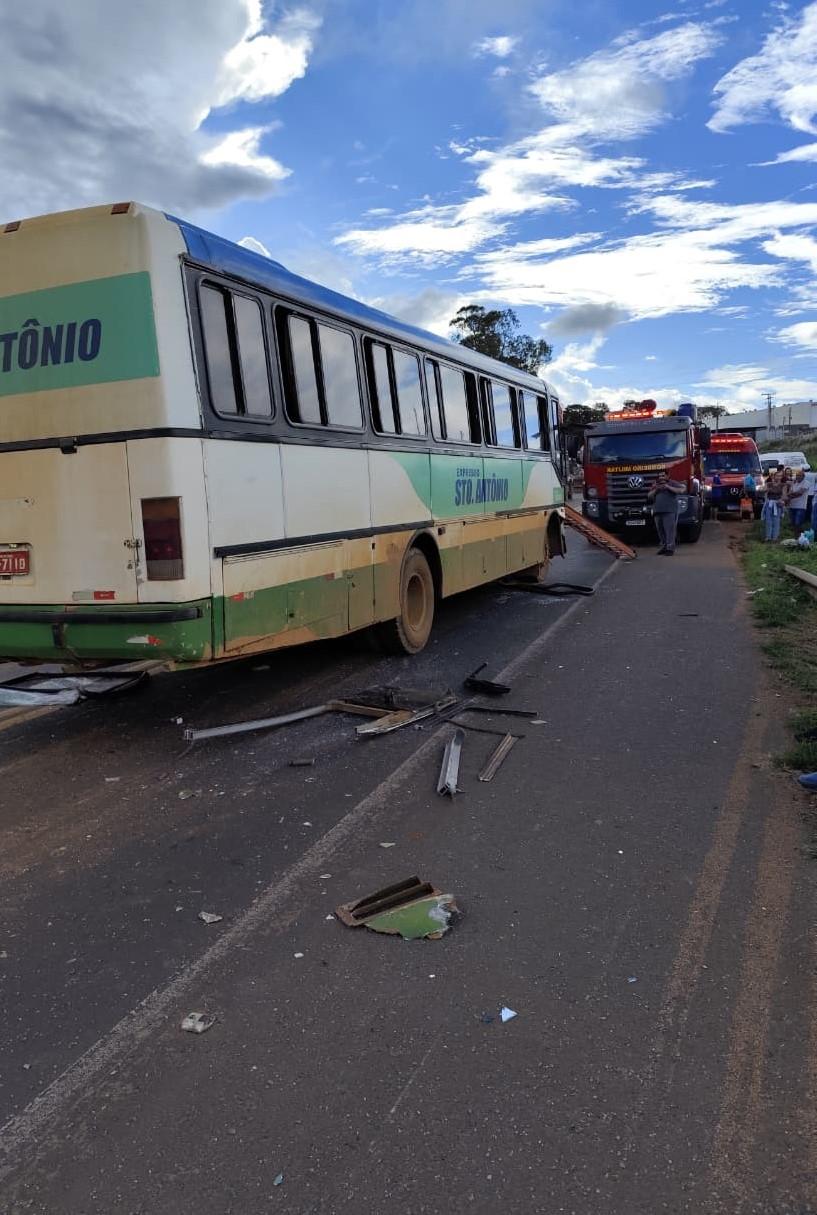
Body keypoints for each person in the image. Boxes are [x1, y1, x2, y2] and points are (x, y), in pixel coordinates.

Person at [647, 470, 685, 555]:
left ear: (668, 476)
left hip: (669, 511)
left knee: (670, 530)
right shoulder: (655, 485)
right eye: (660, 475)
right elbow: (649, 496)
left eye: (663, 475)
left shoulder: (672, 483)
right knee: (660, 531)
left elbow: (682, 490)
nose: (661, 477)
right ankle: (664, 547)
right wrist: (656, 489)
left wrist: (668, 487)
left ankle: (670, 548)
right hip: (657, 511)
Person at [762, 472, 785, 542]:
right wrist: (766, 501)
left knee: (776, 521)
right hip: (769, 503)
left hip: (778, 504)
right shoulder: (768, 484)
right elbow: (764, 492)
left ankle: (775, 537)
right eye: (777, 476)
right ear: (773, 476)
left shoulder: (783, 485)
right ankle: (768, 537)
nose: (778, 477)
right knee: (768, 521)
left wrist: (781, 501)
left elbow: (784, 495)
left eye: (780, 476)